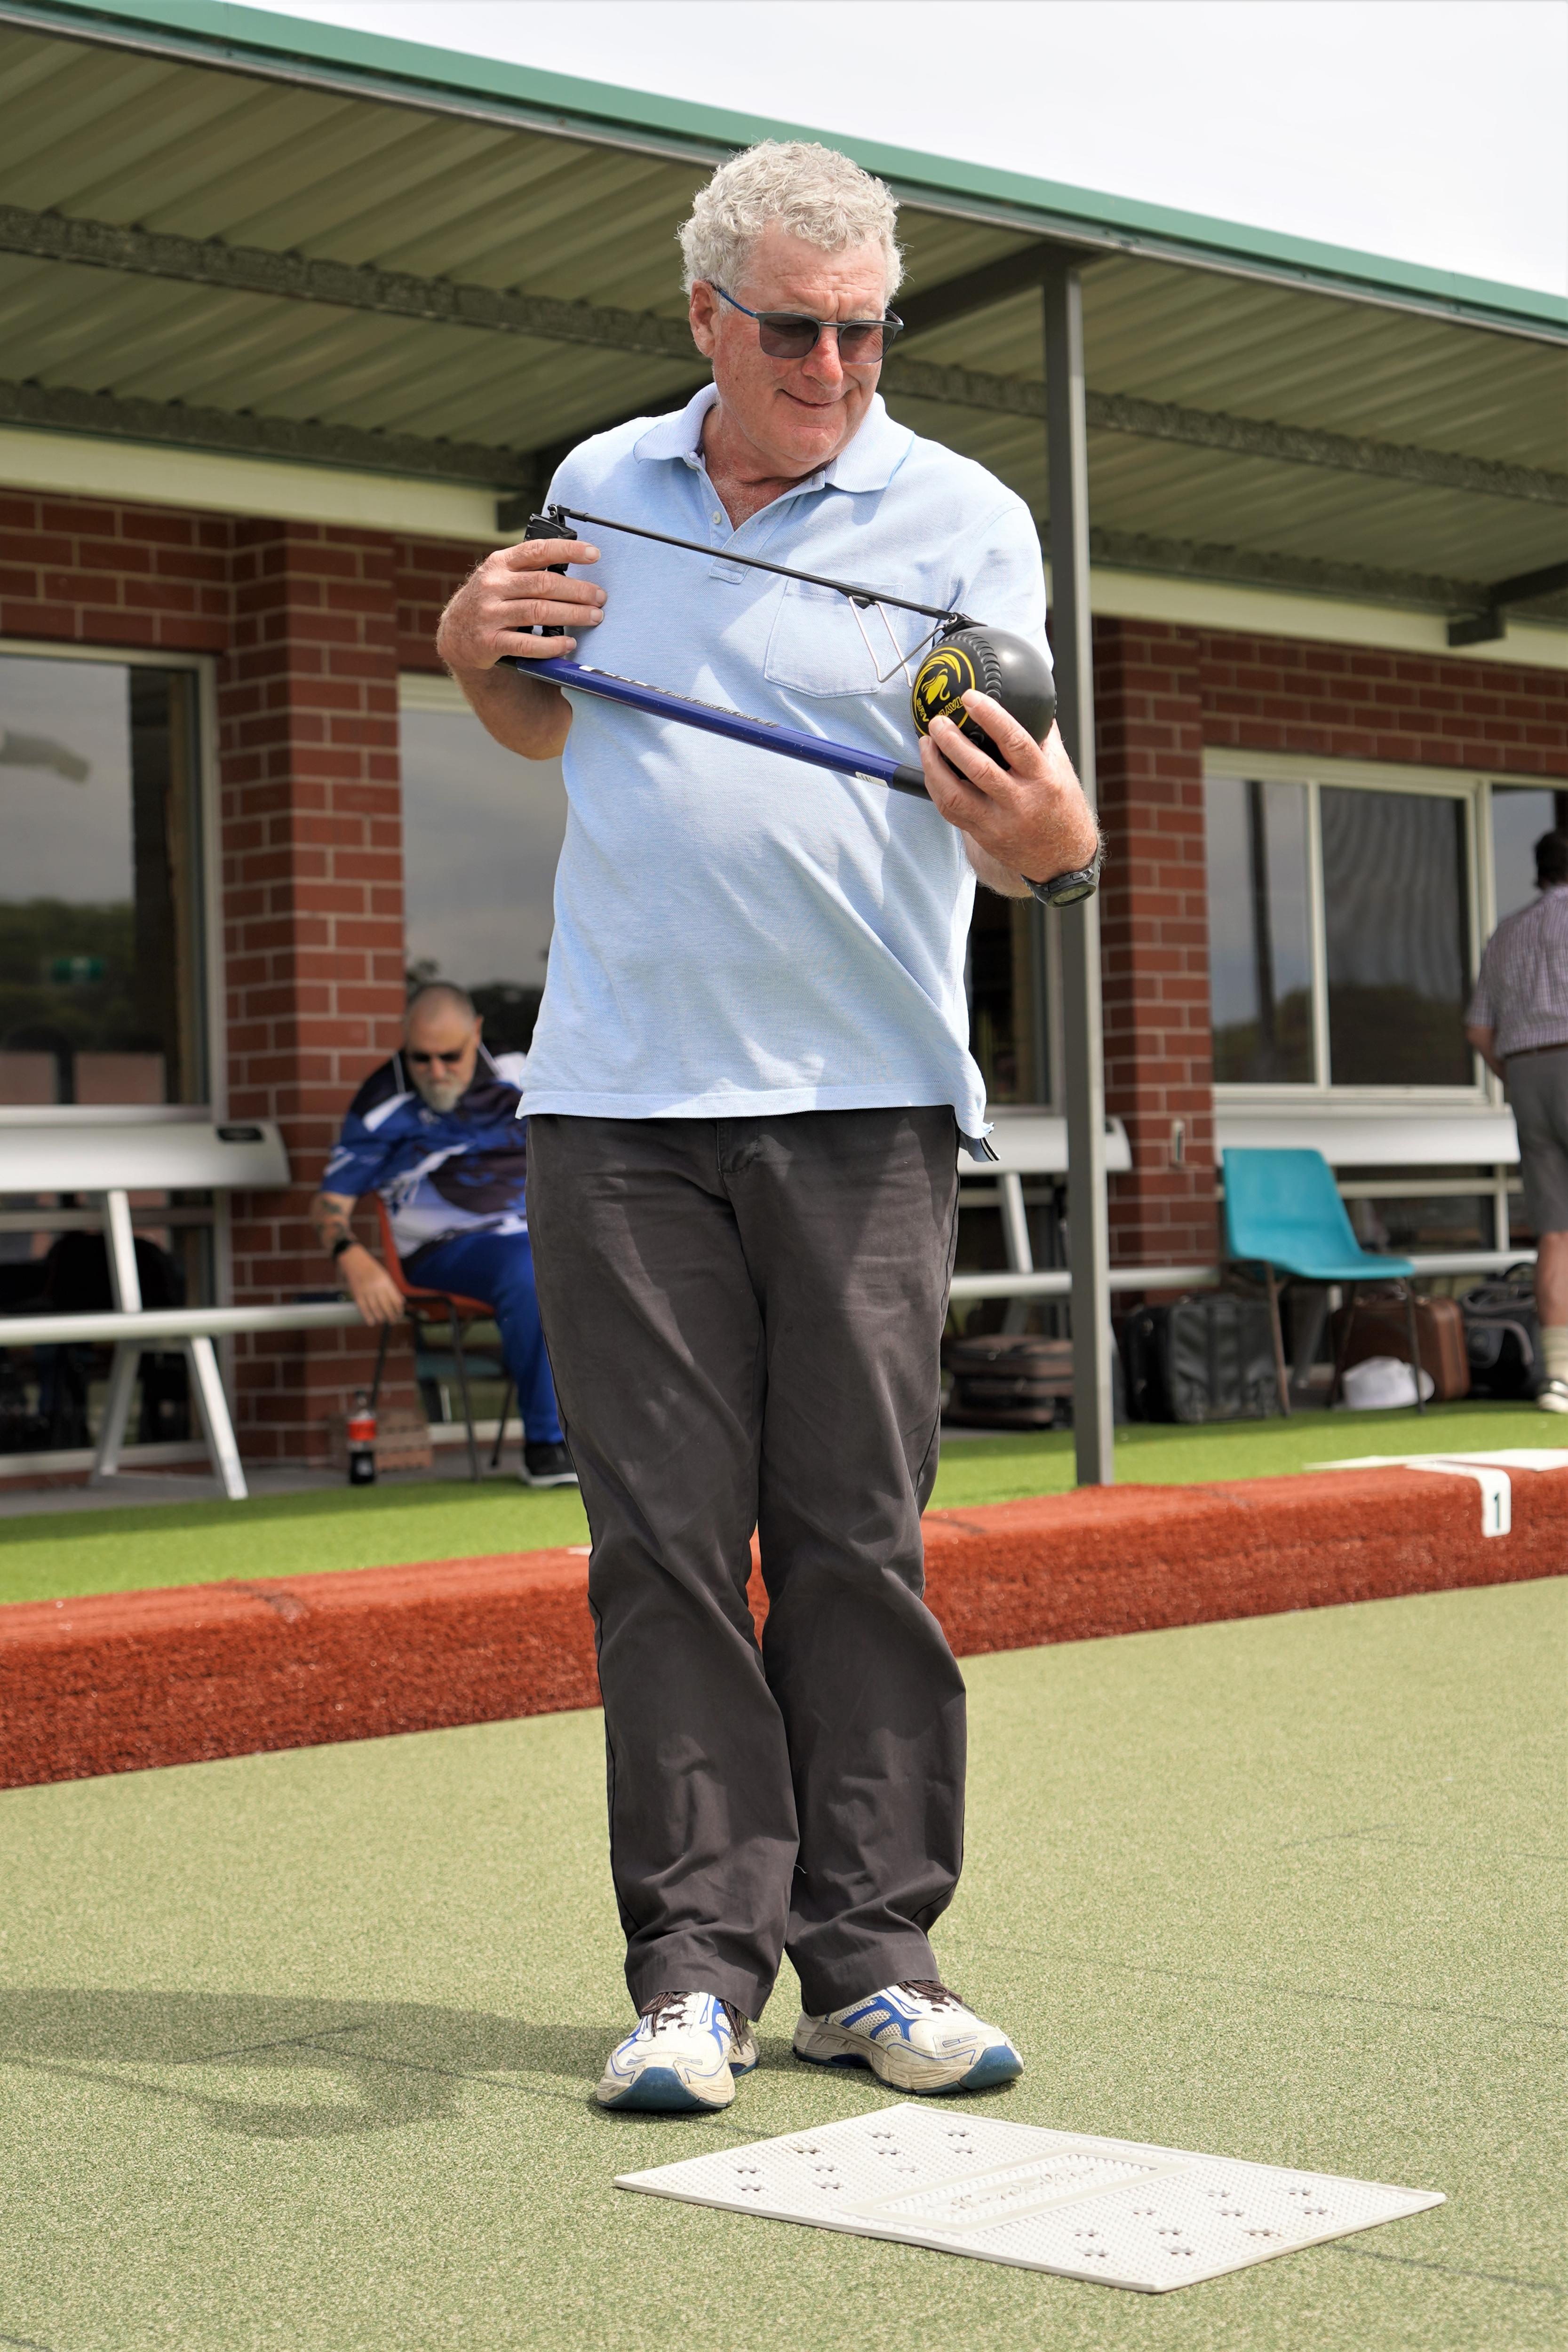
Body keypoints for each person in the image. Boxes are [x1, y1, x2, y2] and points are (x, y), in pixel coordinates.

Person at [436, 140, 1100, 2114]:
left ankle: (872, 1962)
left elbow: (1027, 816)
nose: (834, 368)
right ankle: (693, 1980)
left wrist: (1056, 848)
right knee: (657, 1550)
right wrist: (473, 652)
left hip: (861, 1101)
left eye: (866, 331)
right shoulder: (601, 482)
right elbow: (550, 715)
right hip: (619, 1103)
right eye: (797, 329)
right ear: (705, 315)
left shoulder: (962, 515)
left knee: (853, 1540)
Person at [311, 982, 575, 1486]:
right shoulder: (381, 1102)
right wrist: (351, 1254)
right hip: (444, 1248)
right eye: (421, 1058)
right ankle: (548, 1446)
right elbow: (329, 1206)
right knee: (532, 1266)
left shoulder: (519, 1070)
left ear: (476, 1034)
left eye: (450, 1057)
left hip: (539, 1231)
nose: (436, 1072)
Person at [1466, 826, 1568, 1414]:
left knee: (1555, 1232)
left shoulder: (1507, 932)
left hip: (1527, 1073)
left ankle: (1559, 1377)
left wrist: (1516, 1076)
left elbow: (1479, 1030)